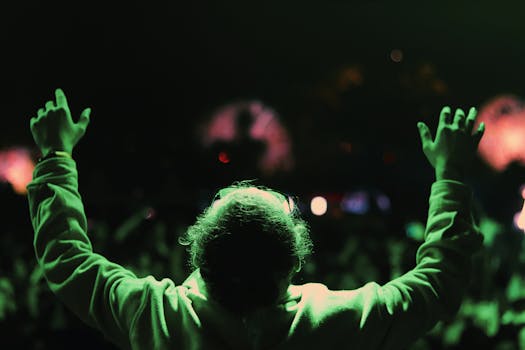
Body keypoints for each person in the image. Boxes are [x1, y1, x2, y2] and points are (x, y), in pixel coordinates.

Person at [27, 88, 485, 349]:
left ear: (198, 256)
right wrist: (451, 172)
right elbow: (438, 282)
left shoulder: (157, 316)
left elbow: (67, 259)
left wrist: (55, 155)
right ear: (293, 263)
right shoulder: (337, 322)